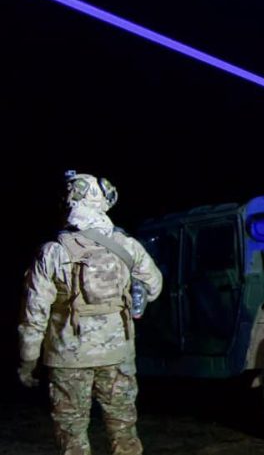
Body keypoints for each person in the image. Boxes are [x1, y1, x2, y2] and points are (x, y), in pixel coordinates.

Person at [18, 171, 164, 455]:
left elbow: (33, 314)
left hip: (68, 357)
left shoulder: (52, 253)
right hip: (118, 354)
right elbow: (154, 286)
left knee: (72, 434)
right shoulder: (127, 246)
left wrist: (27, 361)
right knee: (123, 429)